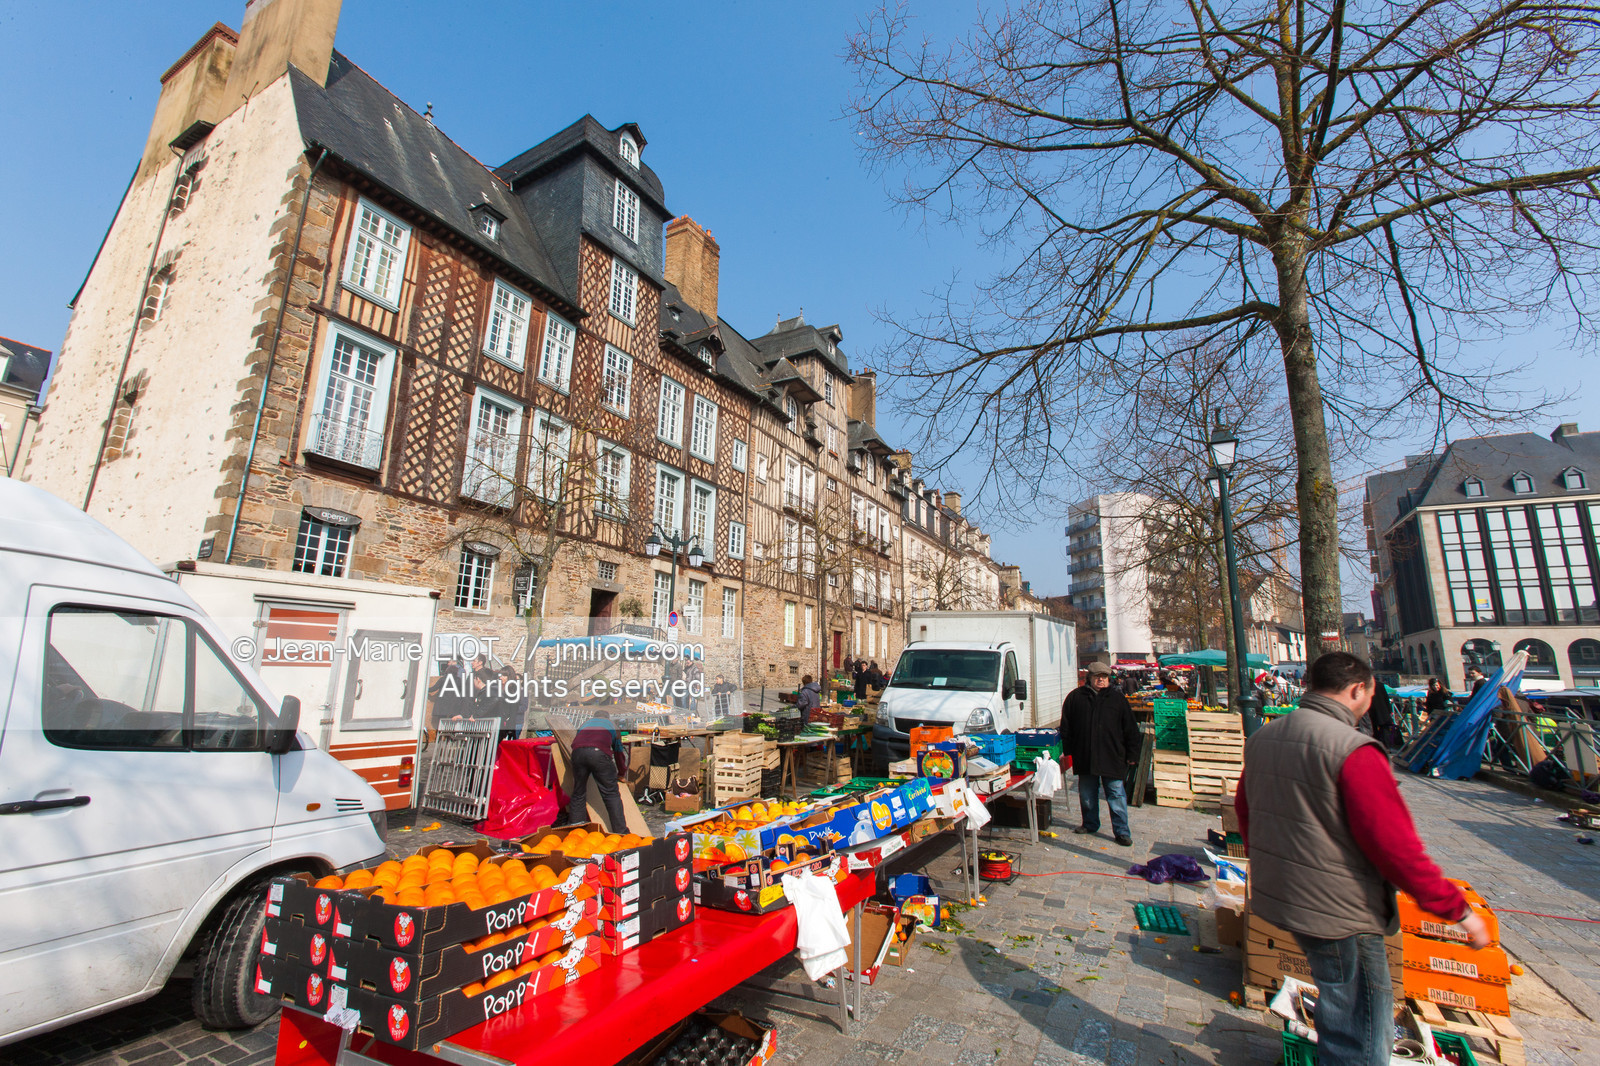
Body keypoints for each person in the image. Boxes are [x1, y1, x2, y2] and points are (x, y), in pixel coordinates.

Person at [1237, 652, 1490, 1066]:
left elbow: (1248, 810)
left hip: (1288, 893)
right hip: (1341, 907)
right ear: (1358, 690)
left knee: (1341, 1005)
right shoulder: (1353, 749)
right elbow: (1395, 847)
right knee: (1360, 1028)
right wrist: (1456, 910)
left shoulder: (1265, 737)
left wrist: (1273, 865)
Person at [1059, 661, 1141, 846]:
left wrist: (1132, 755)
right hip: (1085, 756)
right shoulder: (1075, 697)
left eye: (1104, 677)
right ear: (1090, 679)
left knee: (1116, 794)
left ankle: (1121, 831)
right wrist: (1068, 752)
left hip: (1112, 756)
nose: (1101, 680)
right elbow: (1066, 728)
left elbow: (1130, 729)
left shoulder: (1117, 699)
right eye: (1097, 677)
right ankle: (1089, 823)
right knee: (1087, 793)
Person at [567, 707, 629, 830]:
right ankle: (621, 831)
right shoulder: (613, 725)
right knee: (611, 794)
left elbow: (580, 742)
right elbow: (619, 753)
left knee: (578, 793)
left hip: (577, 753)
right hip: (598, 753)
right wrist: (621, 773)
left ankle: (576, 830)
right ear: (607, 717)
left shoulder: (585, 724)